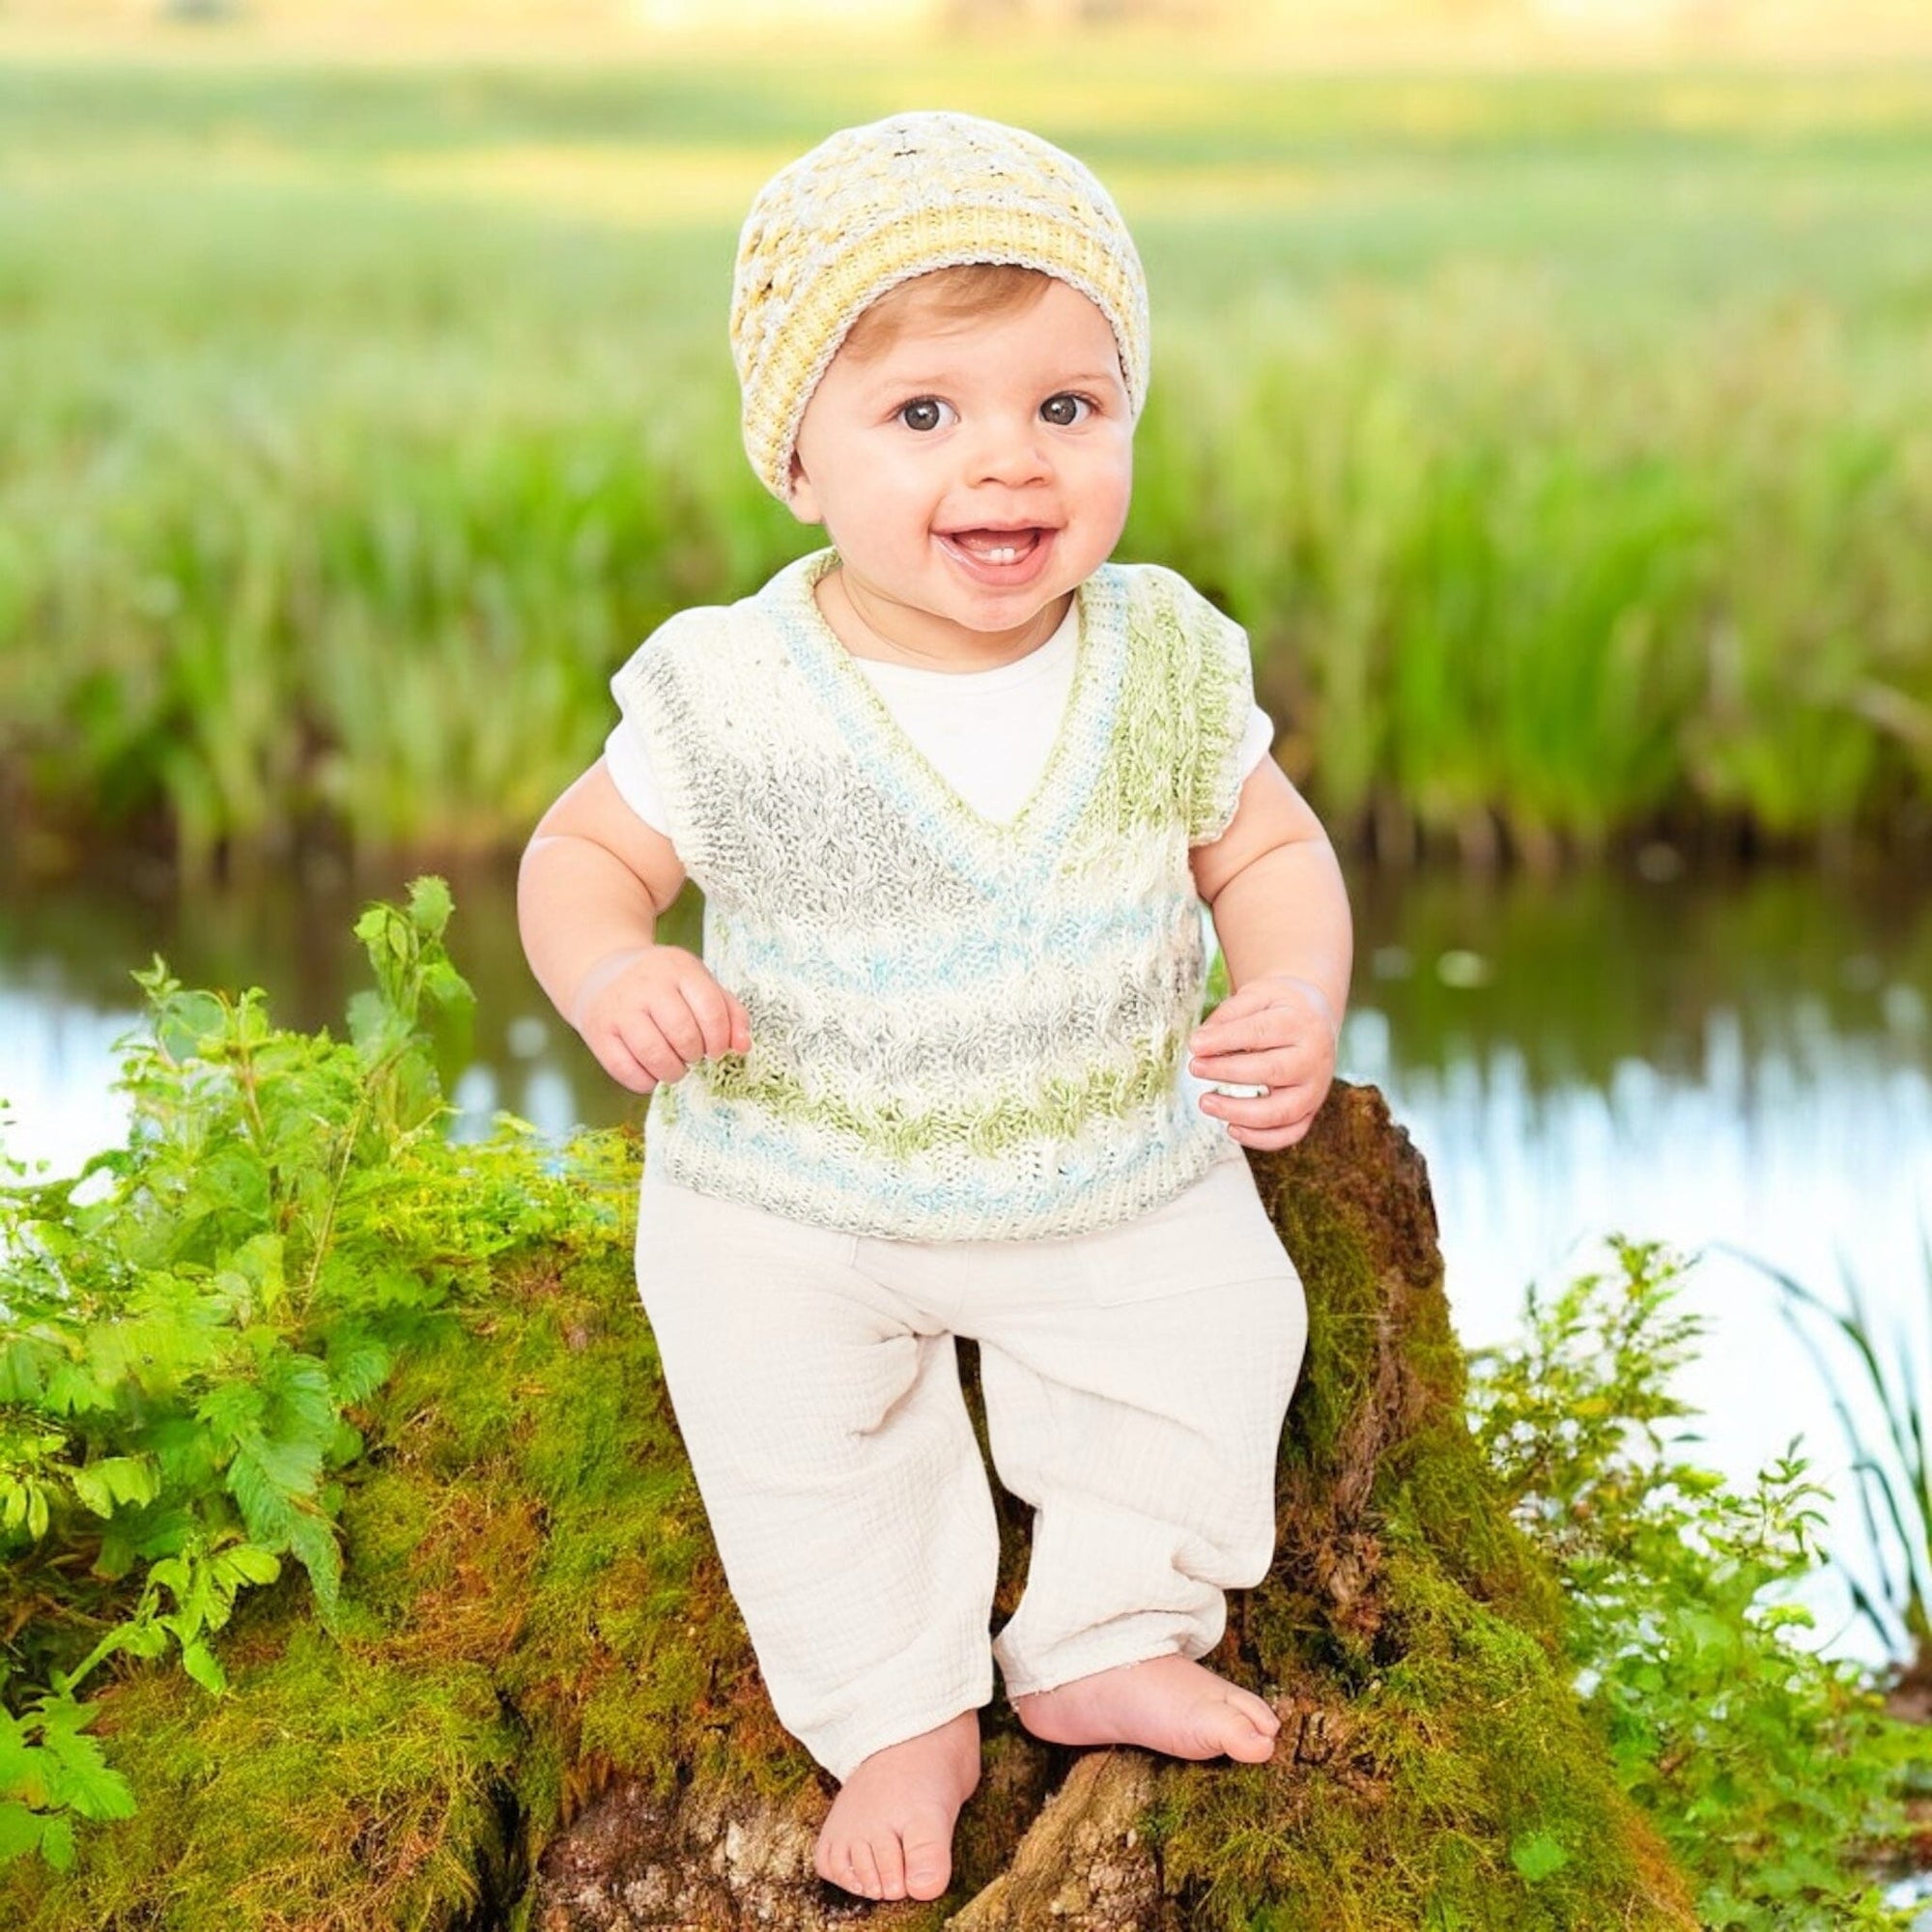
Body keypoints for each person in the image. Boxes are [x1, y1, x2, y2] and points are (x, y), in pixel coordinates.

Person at [518, 110, 1352, 1907]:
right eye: (924, 415)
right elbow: (582, 854)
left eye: (1069, 407)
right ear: (798, 461)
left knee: (1223, 1336)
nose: (1009, 465)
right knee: (787, 1418)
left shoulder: (1163, 655)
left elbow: (1267, 848)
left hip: (1107, 1168)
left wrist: (1291, 988)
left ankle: (1106, 1628)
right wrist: (613, 964)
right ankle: (898, 1707)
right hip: (796, 1189)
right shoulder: (736, 690)